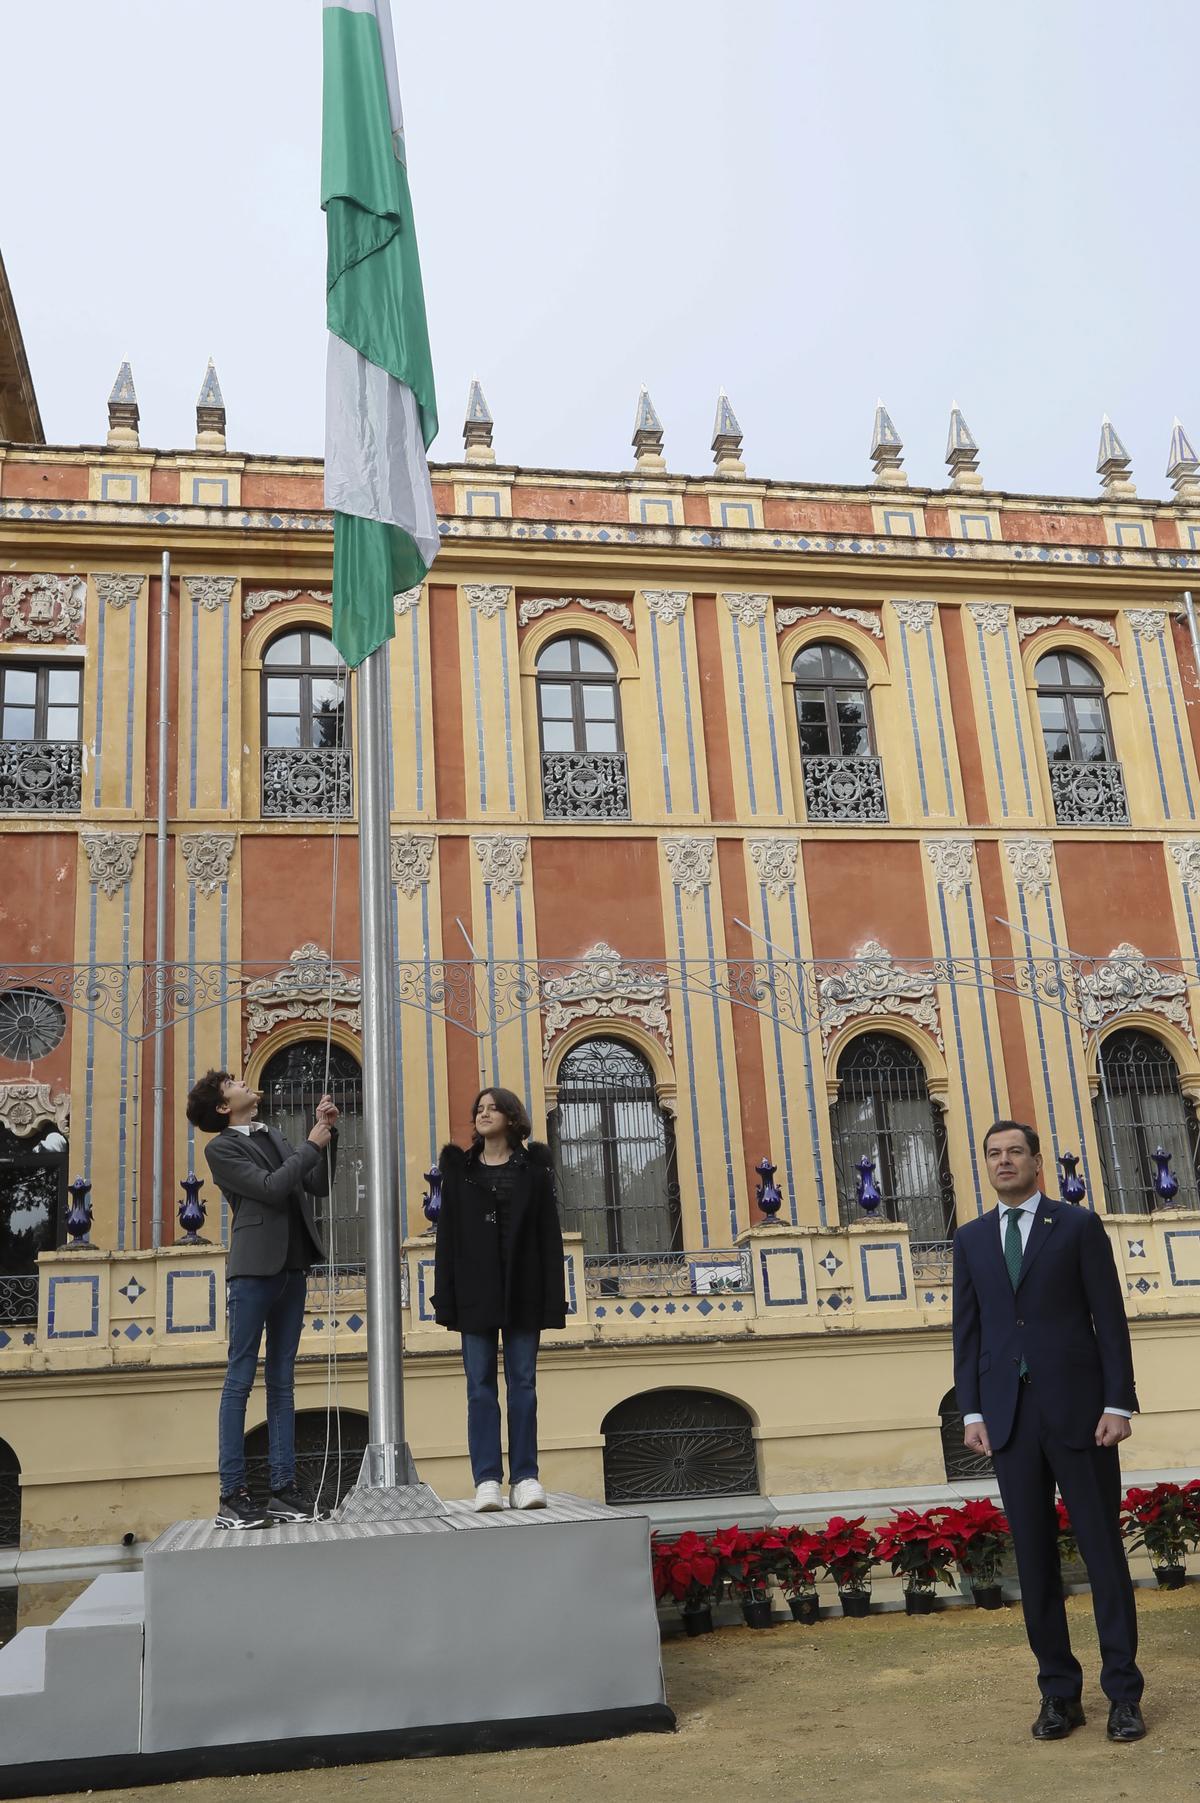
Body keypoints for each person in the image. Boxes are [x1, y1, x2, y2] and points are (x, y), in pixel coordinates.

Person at [952, 1120, 1144, 1743]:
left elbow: (1109, 1318)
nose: (1003, 1161)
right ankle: (1059, 1694)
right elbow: (969, 1332)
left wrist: (1118, 1402)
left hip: (1083, 1415)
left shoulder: (1078, 1227)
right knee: (1033, 1561)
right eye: (993, 1154)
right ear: (985, 1165)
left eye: (1015, 1152)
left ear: (1037, 1162)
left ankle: (1123, 1695)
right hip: (1009, 1419)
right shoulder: (973, 1238)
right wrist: (973, 1412)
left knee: (1102, 1554)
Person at [185, 1069, 338, 1530]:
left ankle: (283, 1490)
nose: (242, 1082)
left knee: (283, 1381)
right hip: (253, 1272)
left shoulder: (270, 1133)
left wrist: (328, 1134)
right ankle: (232, 1494)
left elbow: (315, 1184)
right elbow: (271, 1189)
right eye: (231, 1082)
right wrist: (310, 1144)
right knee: (239, 1380)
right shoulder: (221, 1148)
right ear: (222, 1107)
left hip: (293, 1267)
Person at [432, 1086, 567, 1512]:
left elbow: (550, 1238)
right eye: (479, 1109)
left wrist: (552, 1297)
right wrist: (446, 1297)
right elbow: (447, 1242)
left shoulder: (534, 1170)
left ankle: (526, 1477)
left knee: (524, 1384)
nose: (483, 1114)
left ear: (511, 1117)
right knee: (479, 1387)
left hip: (524, 1288)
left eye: (493, 1108)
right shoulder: (459, 1172)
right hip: (476, 1291)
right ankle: (487, 1479)